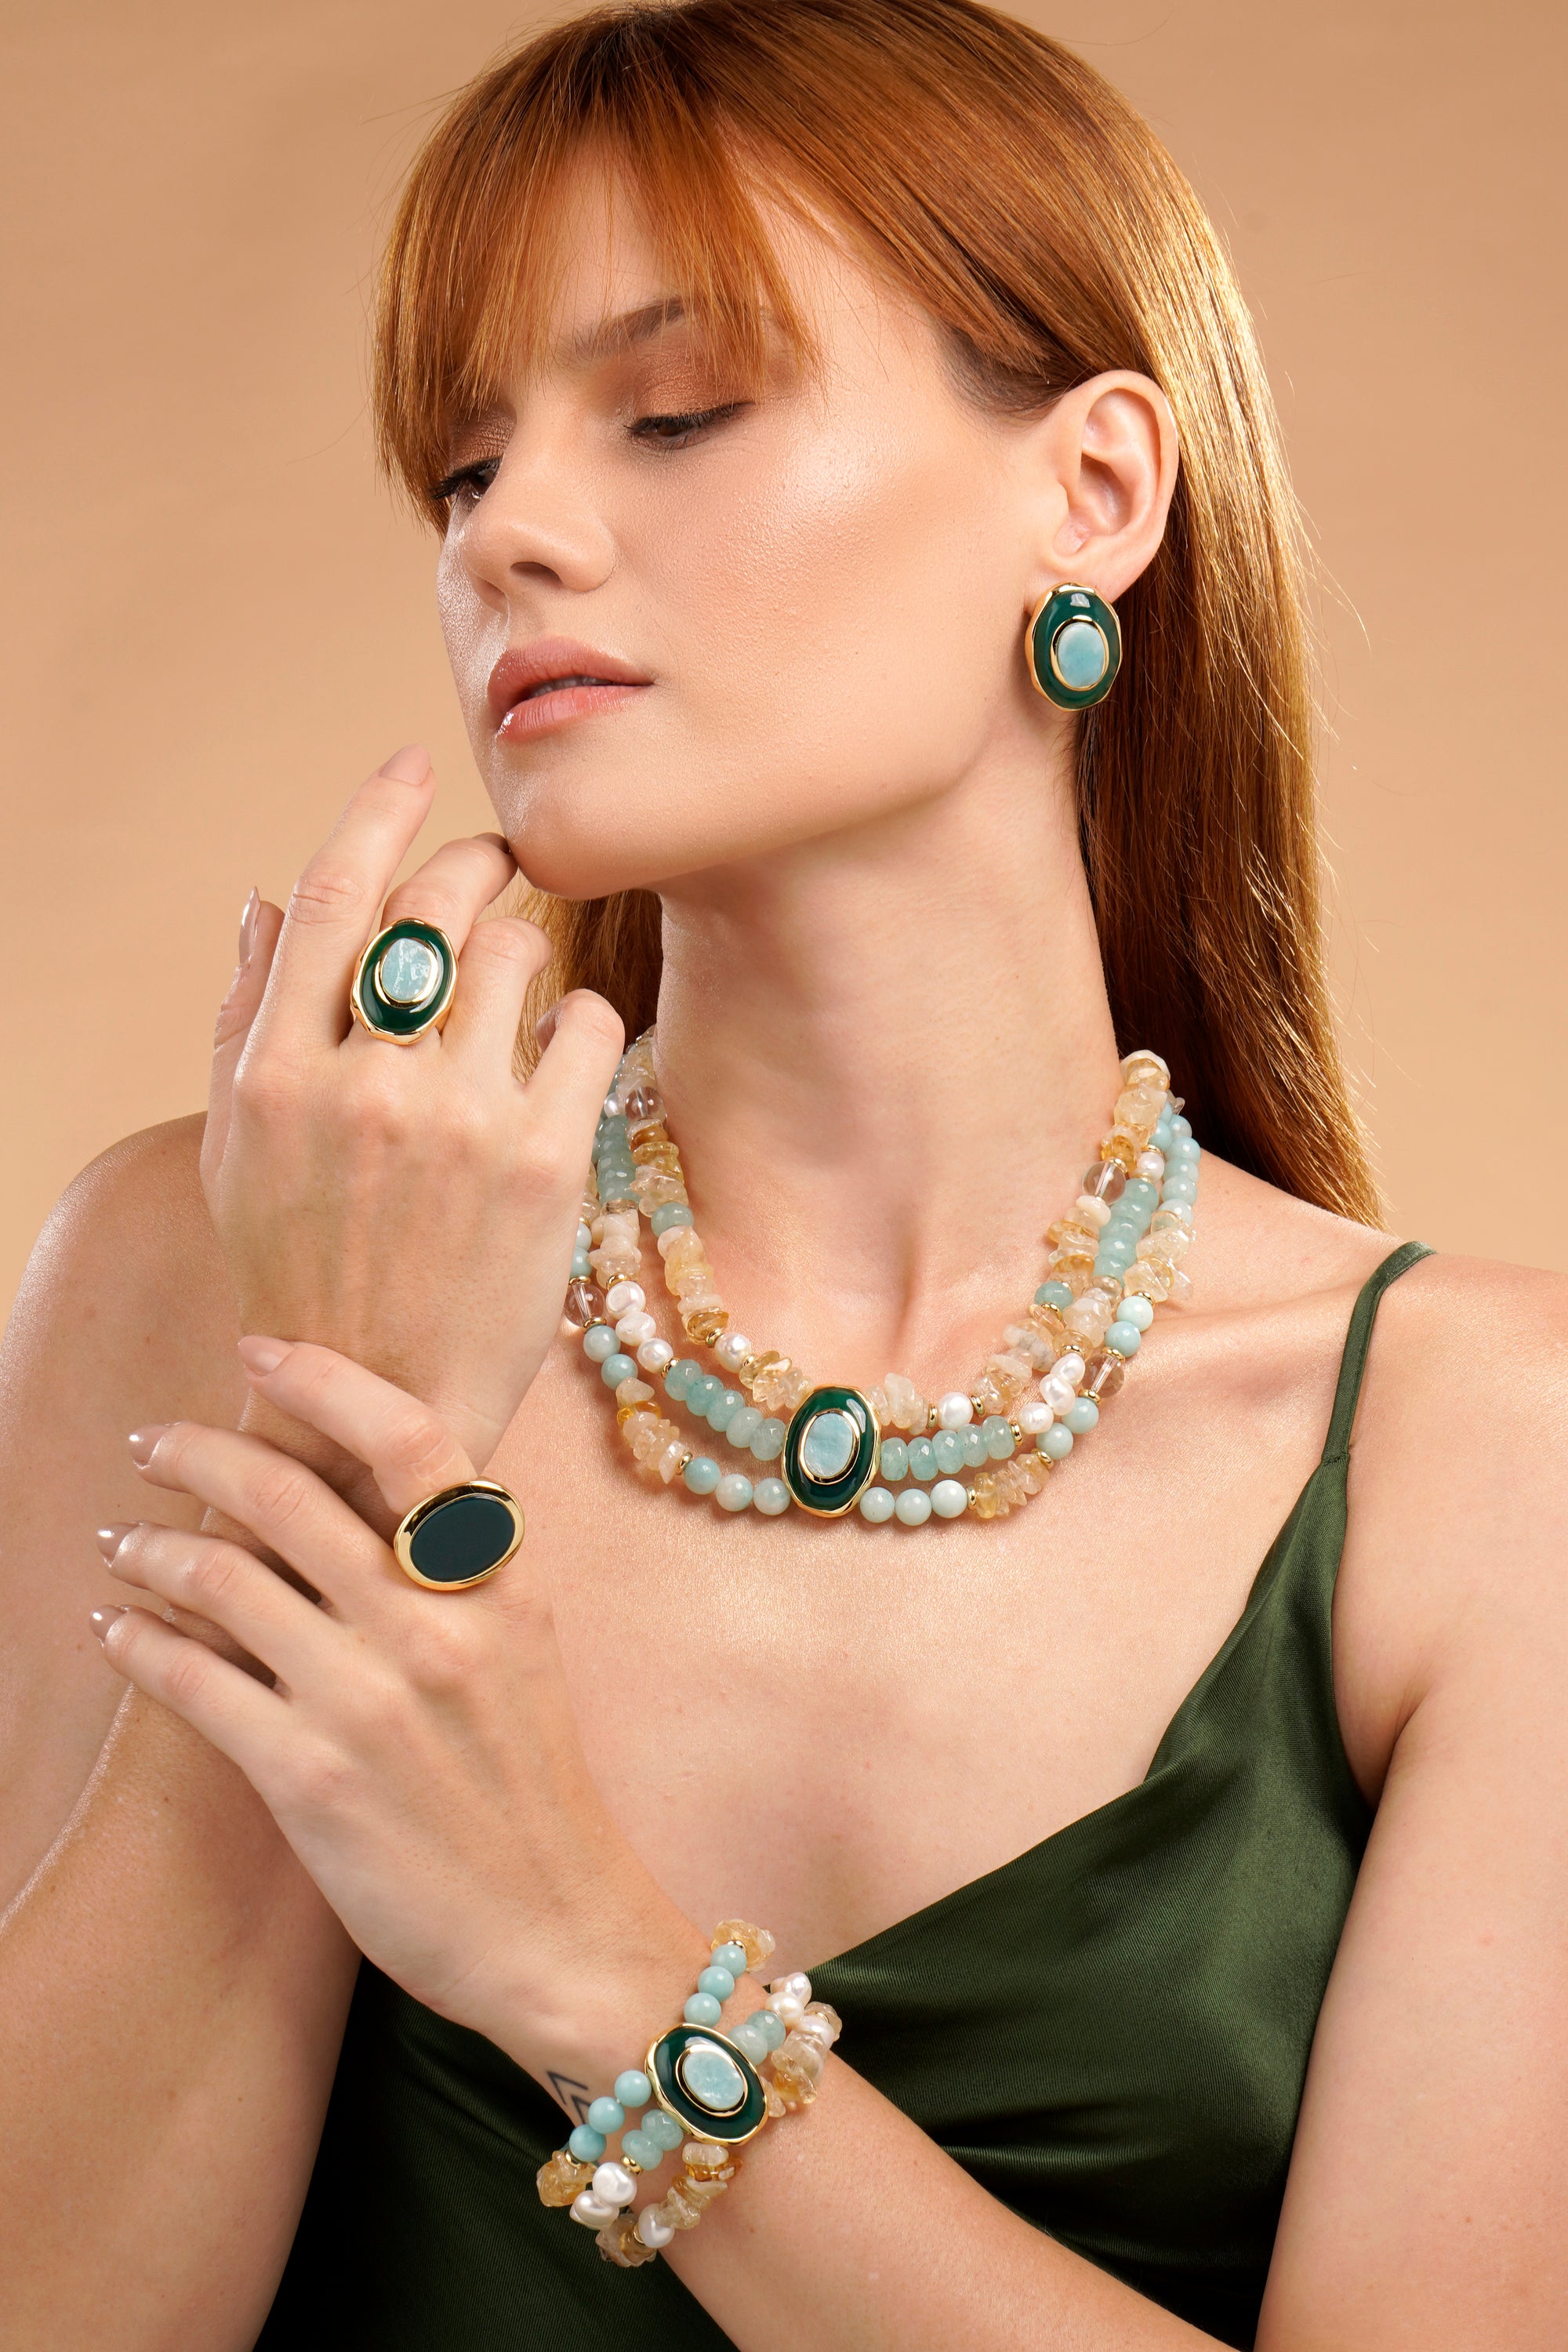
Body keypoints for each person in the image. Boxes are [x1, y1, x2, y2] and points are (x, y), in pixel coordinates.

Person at [2, 1, 1563, 2345]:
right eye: (461, 468)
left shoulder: (1492, 1458)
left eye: (676, 413)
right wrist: (344, 1410)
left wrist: (591, 1963)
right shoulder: (208, 1263)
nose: (513, 532)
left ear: (1094, 493)